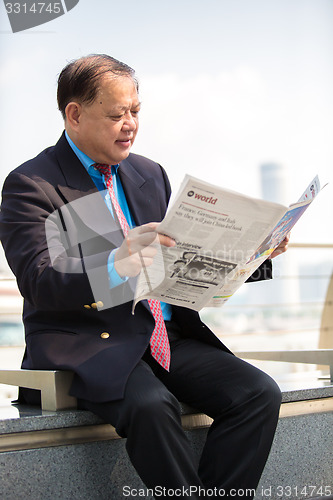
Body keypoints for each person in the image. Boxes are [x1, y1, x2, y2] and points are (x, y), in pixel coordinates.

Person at [0, 54, 289, 499]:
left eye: (136, 111)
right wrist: (117, 263)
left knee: (259, 394)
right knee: (153, 406)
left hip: (163, 334)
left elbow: (180, 258)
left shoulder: (148, 173)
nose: (130, 123)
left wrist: (254, 255)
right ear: (74, 114)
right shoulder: (31, 184)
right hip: (87, 342)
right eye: (117, 114)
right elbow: (41, 280)